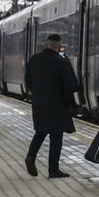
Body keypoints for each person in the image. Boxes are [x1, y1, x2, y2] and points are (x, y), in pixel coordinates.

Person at [24, 33, 78, 178]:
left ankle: (30, 156)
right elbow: (71, 85)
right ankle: (53, 170)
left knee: (41, 132)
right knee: (56, 137)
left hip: (39, 103)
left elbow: (28, 82)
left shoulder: (34, 60)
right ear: (59, 46)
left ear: (46, 45)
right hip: (58, 105)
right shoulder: (62, 62)